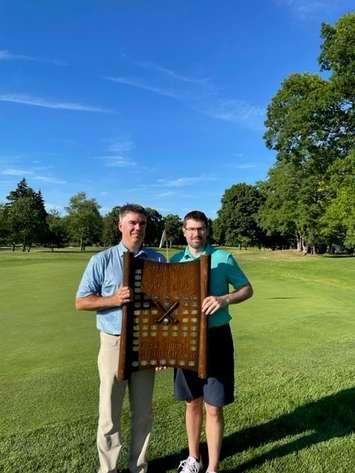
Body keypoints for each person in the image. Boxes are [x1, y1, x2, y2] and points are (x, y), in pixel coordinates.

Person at [75, 203, 165, 473]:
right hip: (114, 342)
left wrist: (159, 346)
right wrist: (113, 299)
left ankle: (138, 467)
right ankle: (108, 469)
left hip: (146, 343)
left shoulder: (157, 260)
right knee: (109, 413)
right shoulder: (101, 260)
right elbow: (81, 301)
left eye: (142, 224)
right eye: (132, 223)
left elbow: (166, 306)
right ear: (120, 226)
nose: (138, 228)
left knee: (143, 413)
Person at [170, 210, 253, 473]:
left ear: (207, 230)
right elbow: (168, 307)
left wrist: (223, 299)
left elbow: (247, 289)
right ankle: (194, 458)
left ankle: (213, 468)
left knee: (214, 407)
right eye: (191, 229)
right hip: (186, 339)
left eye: (201, 228)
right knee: (192, 402)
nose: (196, 233)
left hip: (217, 337)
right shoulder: (175, 261)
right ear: (183, 231)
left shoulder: (223, 257)